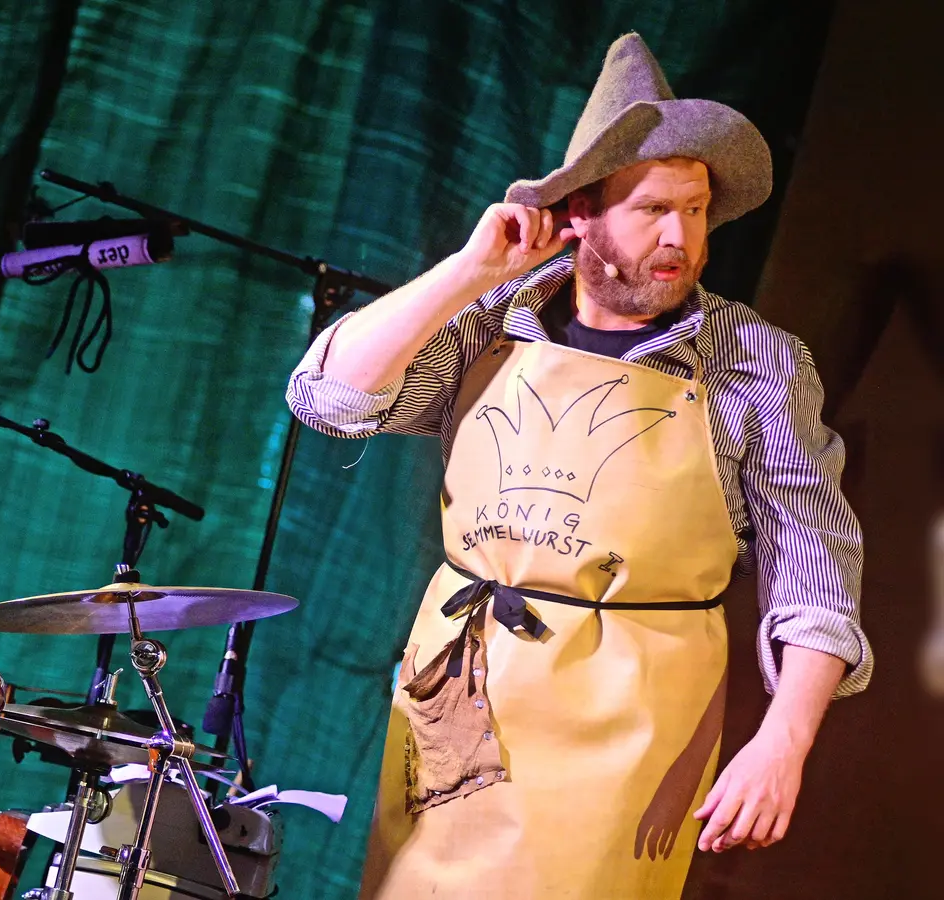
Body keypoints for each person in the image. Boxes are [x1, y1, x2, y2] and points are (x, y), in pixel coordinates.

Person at [286, 34, 871, 898]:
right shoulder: (491, 318)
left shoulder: (757, 364)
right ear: (580, 216)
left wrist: (783, 743)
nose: (682, 236)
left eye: (698, 209)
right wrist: (472, 268)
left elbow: (817, 580)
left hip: (630, 728)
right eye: (652, 209)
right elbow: (326, 399)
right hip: (459, 700)